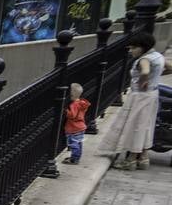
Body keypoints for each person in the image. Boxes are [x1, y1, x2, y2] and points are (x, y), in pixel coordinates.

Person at [97, 32, 162, 170]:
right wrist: (152, 78)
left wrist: (144, 80)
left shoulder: (144, 59)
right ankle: (143, 157)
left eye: (133, 48)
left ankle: (131, 159)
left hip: (140, 96)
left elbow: (144, 71)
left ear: (143, 47)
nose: (131, 51)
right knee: (145, 125)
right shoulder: (158, 56)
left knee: (135, 126)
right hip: (152, 94)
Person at [63, 82, 90, 164]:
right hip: (81, 127)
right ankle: (76, 156)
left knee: (73, 143)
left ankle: (74, 159)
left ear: (71, 96)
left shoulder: (74, 105)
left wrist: (66, 111)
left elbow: (72, 115)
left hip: (74, 128)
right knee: (78, 143)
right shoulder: (81, 103)